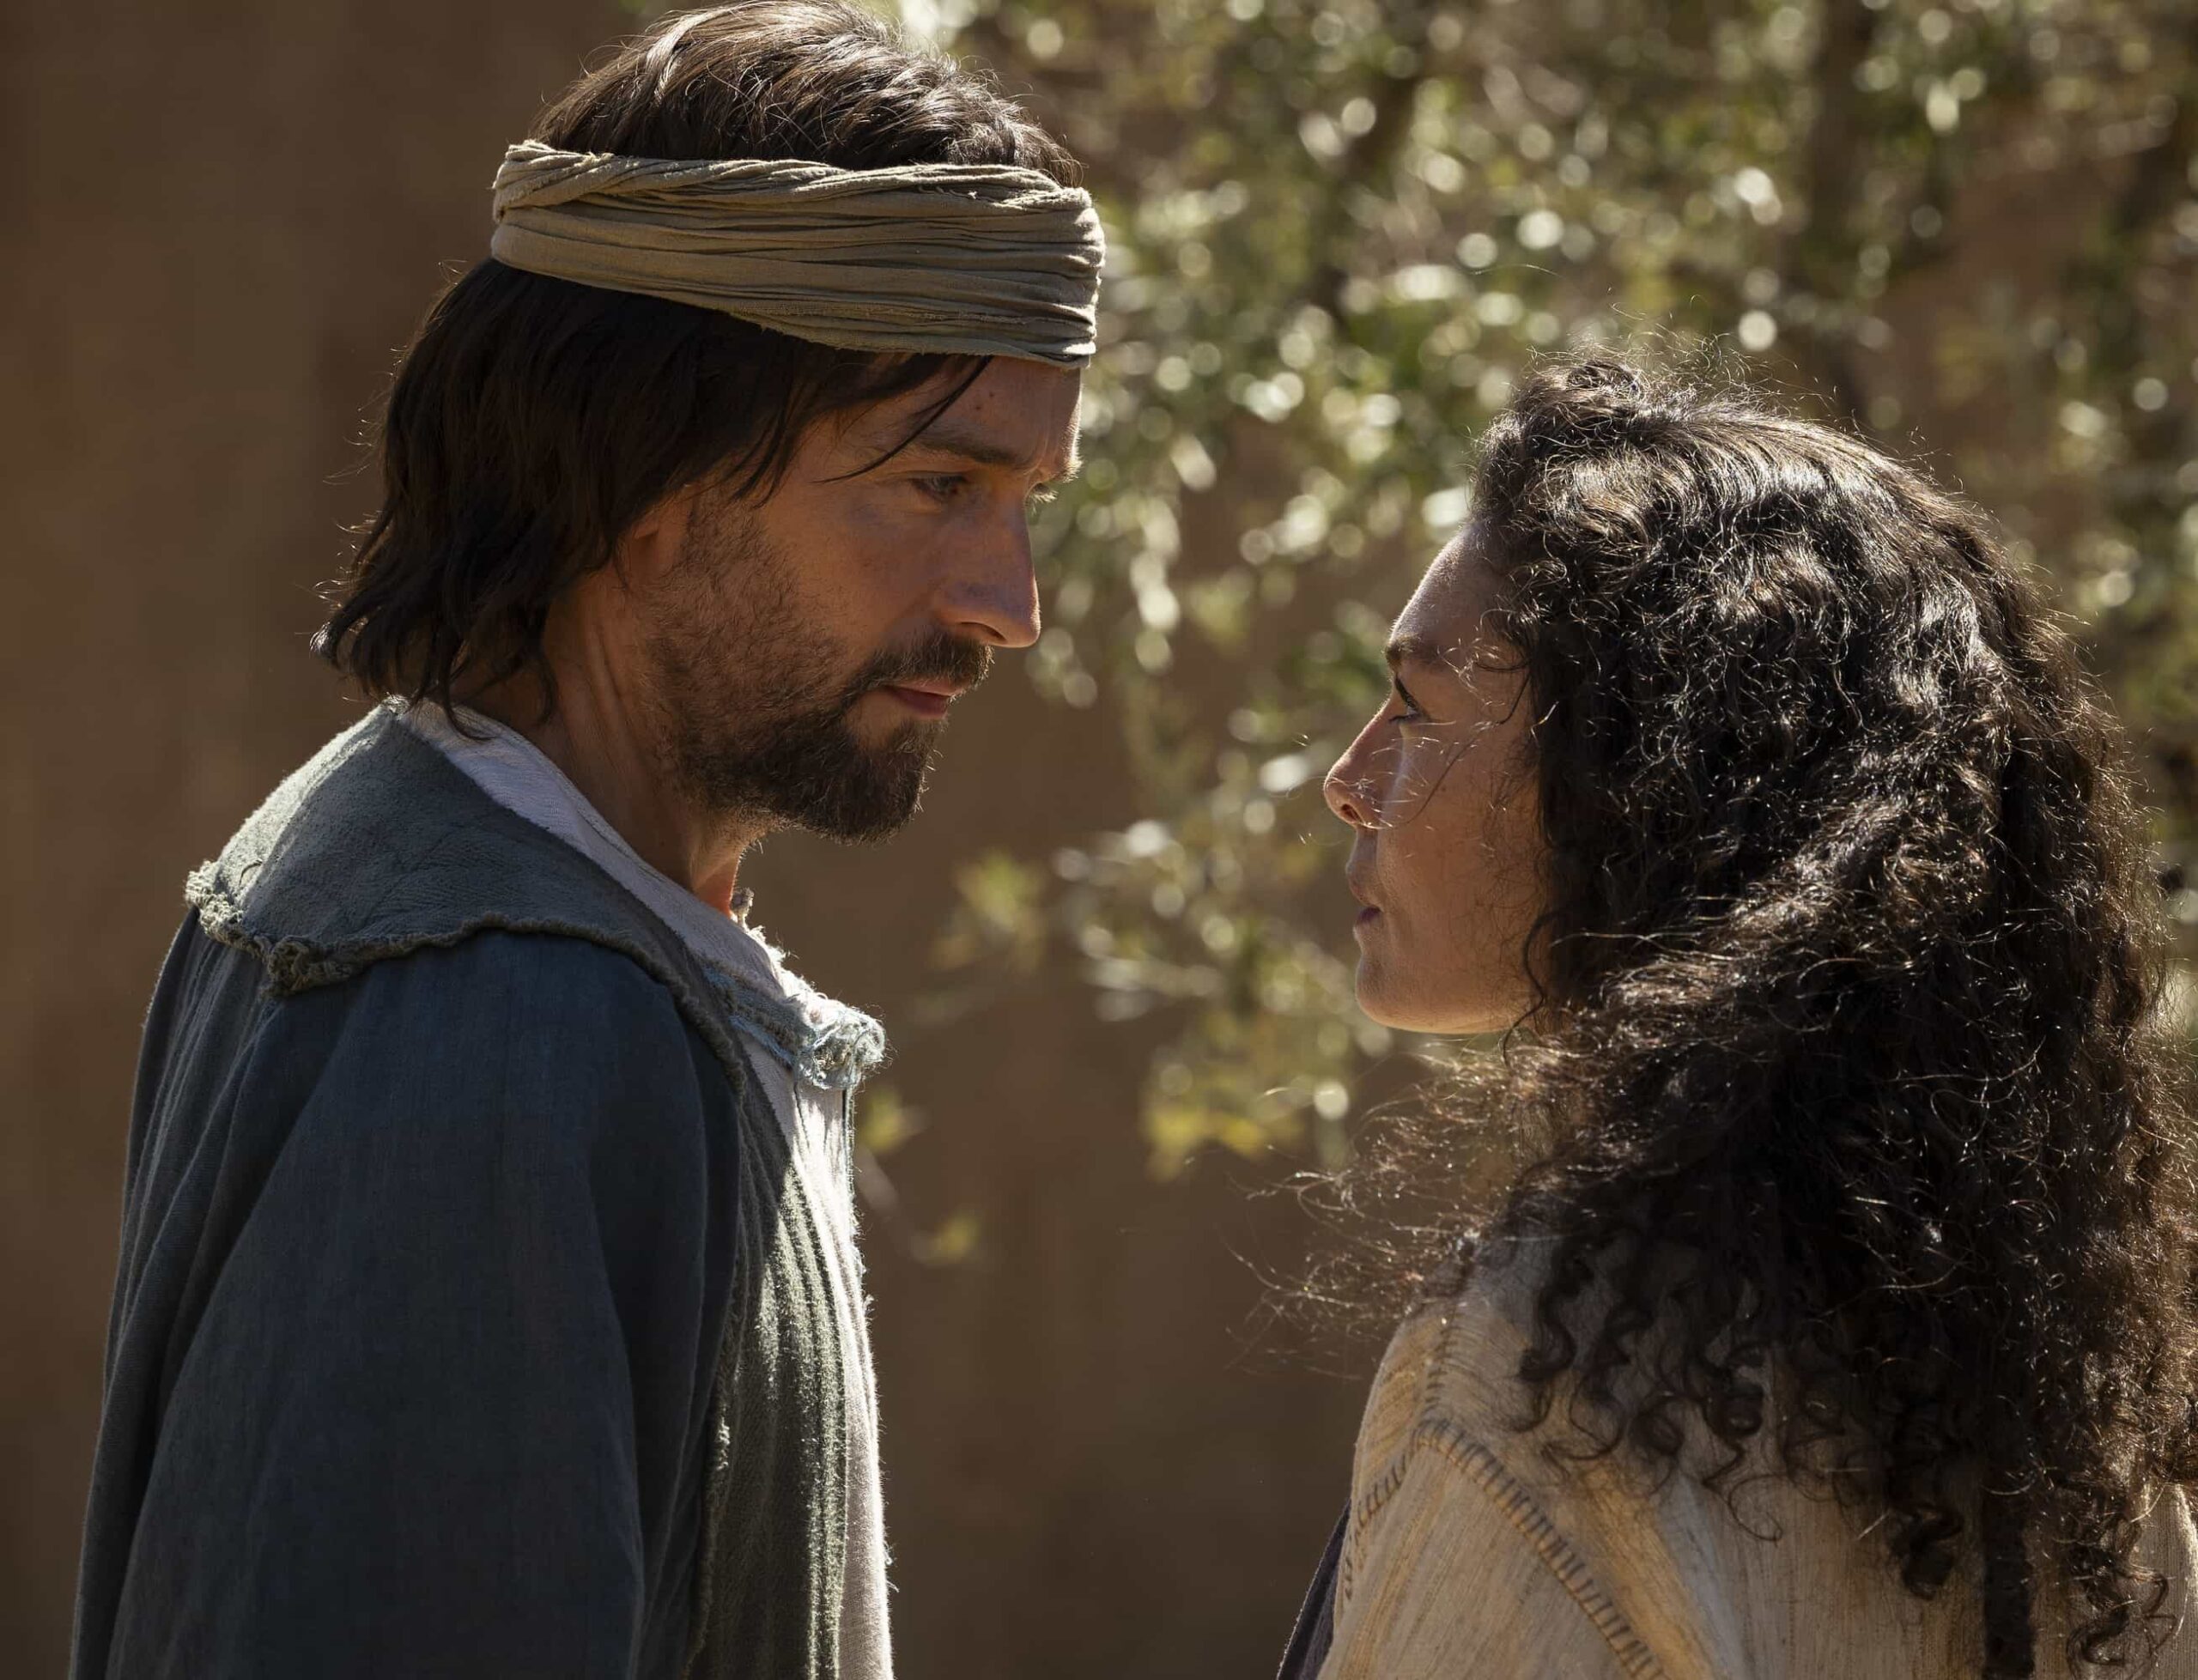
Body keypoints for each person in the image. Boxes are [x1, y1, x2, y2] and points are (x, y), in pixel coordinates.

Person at [69, 6, 1100, 1678]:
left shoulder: (424, 875)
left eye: (1024, 506)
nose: (1007, 608)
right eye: (934, 486)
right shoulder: (500, 1025)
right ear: (643, 467)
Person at [1290, 356, 2198, 1678]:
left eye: (1419, 706)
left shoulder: (1548, 1378)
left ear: (1638, 783)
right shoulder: (2087, 1415)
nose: (1349, 778)